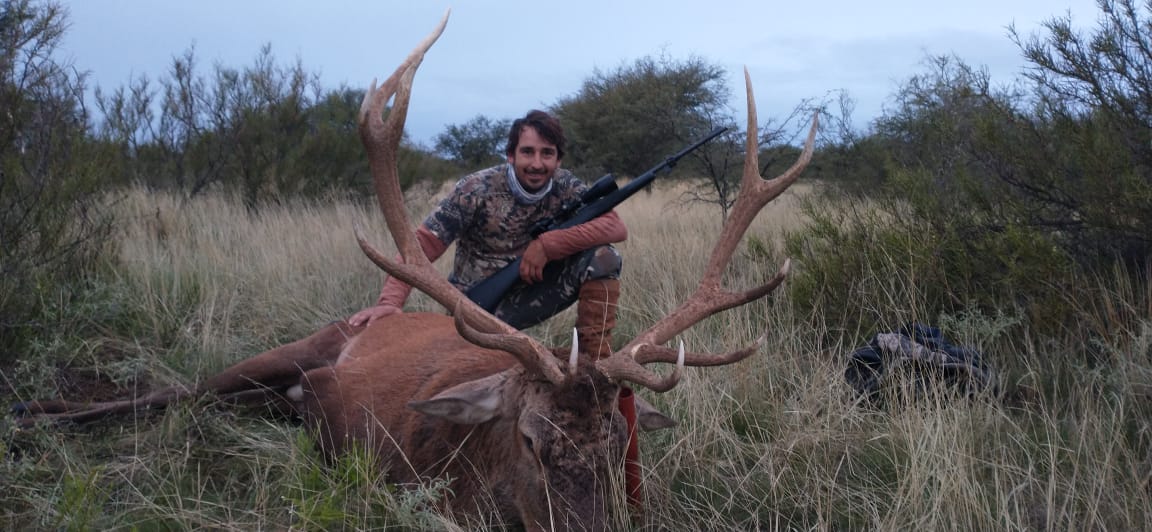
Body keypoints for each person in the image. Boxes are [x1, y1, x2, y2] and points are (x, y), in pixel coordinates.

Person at [348, 109, 627, 358]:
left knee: (604, 258)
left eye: (547, 153)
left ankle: (595, 366)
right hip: (473, 308)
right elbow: (422, 244)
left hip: (530, 294)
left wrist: (548, 244)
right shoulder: (476, 189)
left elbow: (615, 227)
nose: (537, 163)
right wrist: (390, 303)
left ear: (558, 160)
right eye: (527, 152)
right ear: (510, 154)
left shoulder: (565, 185)